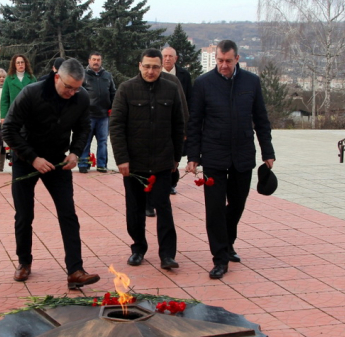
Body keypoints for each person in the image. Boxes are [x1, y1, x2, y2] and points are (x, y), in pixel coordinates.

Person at [3, 58, 101, 289]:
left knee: (68, 213)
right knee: (24, 214)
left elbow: (83, 127)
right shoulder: (31, 93)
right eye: (68, 87)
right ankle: (24, 262)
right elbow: (8, 129)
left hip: (57, 161)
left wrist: (76, 152)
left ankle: (75, 270)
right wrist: (32, 158)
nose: (72, 92)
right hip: (26, 159)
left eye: (77, 88)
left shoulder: (81, 97)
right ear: (57, 77)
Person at [186, 40, 275, 279]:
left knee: (237, 205)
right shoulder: (203, 84)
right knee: (214, 209)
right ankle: (220, 258)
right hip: (214, 156)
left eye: (228, 61)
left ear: (237, 59)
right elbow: (194, 124)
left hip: (243, 155)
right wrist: (193, 156)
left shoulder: (251, 82)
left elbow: (261, 119)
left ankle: (227, 242)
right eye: (219, 61)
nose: (223, 65)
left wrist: (268, 152)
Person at [110, 49, 185, 270]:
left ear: (161, 67)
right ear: (139, 65)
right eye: (147, 66)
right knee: (135, 208)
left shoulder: (171, 89)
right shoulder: (126, 89)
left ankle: (167, 255)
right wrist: (122, 158)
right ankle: (138, 248)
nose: (151, 71)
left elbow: (179, 125)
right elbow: (116, 126)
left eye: (155, 67)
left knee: (164, 208)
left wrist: (175, 158)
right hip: (134, 163)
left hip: (162, 161)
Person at [162, 46, 193, 197]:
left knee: (176, 155)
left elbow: (189, 99)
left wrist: (187, 127)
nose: (167, 59)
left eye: (170, 56)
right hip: (161, 121)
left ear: (176, 59)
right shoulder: (154, 73)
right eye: (165, 56)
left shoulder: (184, 75)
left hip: (178, 120)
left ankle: (172, 183)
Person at [78, 52, 115, 173]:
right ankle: (83, 164)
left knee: (103, 142)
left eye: (98, 59)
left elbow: (113, 93)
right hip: (88, 115)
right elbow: (77, 93)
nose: (96, 62)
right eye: (94, 59)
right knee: (85, 141)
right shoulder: (83, 75)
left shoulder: (107, 76)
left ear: (101, 61)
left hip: (104, 115)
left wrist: (113, 107)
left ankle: (101, 164)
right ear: (89, 60)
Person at [0, 54, 35, 123]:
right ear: (14, 65)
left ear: (25, 64)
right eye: (18, 63)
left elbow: (37, 97)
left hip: (29, 114)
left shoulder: (32, 78)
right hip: (14, 114)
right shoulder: (8, 79)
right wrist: (3, 116)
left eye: (22, 62)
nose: (20, 64)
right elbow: (4, 99)